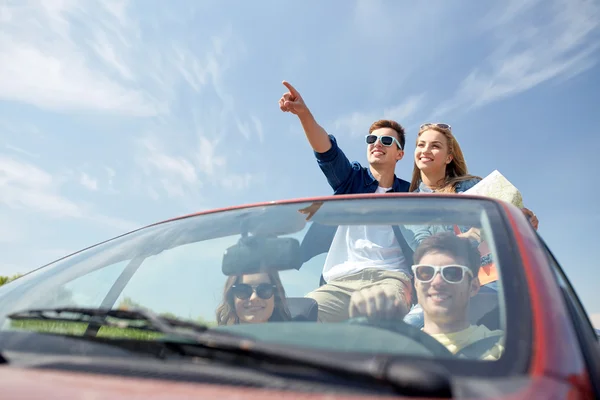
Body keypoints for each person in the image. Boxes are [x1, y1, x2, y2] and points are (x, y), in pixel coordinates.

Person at [280, 81, 416, 322]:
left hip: (390, 278)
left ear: (400, 154)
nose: (376, 143)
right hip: (340, 283)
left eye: (386, 141)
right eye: (371, 139)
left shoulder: (411, 194)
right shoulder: (351, 180)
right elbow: (327, 152)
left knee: (383, 323)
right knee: (299, 322)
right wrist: (303, 114)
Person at [404, 122, 538, 327]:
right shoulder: (411, 204)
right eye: (421, 145)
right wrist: (471, 236)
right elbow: (424, 248)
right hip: (446, 284)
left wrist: (524, 219)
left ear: (449, 157)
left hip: (494, 280)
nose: (425, 151)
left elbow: (507, 219)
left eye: (435, 146)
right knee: (408, 327)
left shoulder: (471, 186)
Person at [412, 232, 504, 360]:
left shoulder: (503, 350)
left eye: (452, 273)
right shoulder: (392, 350)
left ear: (473, 286)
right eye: (426, 272)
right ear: (416, 283)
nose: (437, 282)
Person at [216, 272, 291, 325]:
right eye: (243, 290)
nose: (254, 298)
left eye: (264, 289)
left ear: (275, 298)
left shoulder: (294, 344)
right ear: (232, 299)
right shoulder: (215, 344)